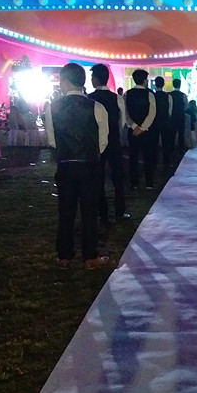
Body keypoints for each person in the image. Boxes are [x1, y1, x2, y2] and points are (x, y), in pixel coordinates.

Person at [45, 62, 109, 269]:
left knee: (66, 211)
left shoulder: (52, 107)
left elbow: (52, 140)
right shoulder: (96, 107)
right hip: (90, 165)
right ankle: (90, 256)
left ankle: (64, 255)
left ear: (64, 81)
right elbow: (103, 141)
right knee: (90, 212)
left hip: (65, 165)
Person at [88, 63, 129, 222]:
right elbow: (122, 122)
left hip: (95, 143)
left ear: (96, 79)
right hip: (113, 141)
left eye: (92, 77)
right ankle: (120, 210)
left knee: (98, 177)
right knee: (118, 177)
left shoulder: (89, 98)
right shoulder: (116, 98)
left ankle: (102, 211)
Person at [125, 68, 156, 189]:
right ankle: (149, 183)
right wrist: (143, 127)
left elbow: (125, 113)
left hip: (132, 131)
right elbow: (152, 113)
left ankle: (134, 183)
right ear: (144, 81)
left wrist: (134, 126)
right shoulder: (149, 94)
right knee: (148, 157)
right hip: (146, 132)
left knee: (133, 157)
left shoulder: (127, 94)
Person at [151, 75, 173, 168]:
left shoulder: (151, 96)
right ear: (163, 84)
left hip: (154, 123)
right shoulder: (168, 96)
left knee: (154, 144)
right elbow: (170, 111)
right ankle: (166, 163)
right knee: (166, 144)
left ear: (155, 84)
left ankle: (154, 163)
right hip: (165, 122)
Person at [170, 78, 188, 153]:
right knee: (181, 133)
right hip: (181, 116)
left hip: (172, 117)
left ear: (173, 85)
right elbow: (186, 106)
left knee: (172, 133)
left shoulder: (169, 94)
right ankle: (181, 149)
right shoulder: (183, 95)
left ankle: (171, 149)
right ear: (180, 85)